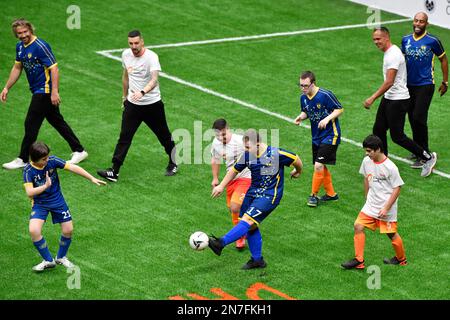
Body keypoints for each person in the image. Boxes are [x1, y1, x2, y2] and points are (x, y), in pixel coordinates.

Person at [209, 129, 303, 270]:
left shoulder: (277, 154)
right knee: (250, 225)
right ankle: (257, 260)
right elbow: (234, 170)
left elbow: (296, 159)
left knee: (247, 220)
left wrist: (298, 171)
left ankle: (220, 243)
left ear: (258, 144)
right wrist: (221, 186)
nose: (246, 150)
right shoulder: (247, 155)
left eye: (248, 147)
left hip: (270, 195)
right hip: (252, 193)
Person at [1, 18, 88, 170]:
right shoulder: (20, 47)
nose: (22, 35)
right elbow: (17, 68)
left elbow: (54, 69)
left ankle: (22, 158)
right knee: (56, 121)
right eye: (19, 33)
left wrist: (54, 92)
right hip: (37, 90)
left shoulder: (41, 46)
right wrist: (7, 87)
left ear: (31, 29)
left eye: (25, 32)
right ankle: (79, 150)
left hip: (45, 91)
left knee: (30, 123)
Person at [97, 30, 177, 182]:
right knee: (124, 137)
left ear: (142, 42)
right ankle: (114, 171)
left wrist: (142, 92)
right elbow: (126, 76)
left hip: (152, 104)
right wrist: (124, 96)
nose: (134, 46)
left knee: (163, 135)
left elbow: (154, 80)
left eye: (136, 43)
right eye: (131, 43)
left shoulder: (151, 57)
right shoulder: (126, 55)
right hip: (133, 105)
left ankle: (173, 162)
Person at [364, 27, 437, 178]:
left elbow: (389, 82)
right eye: (374, 39)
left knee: (397, 136)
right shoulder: (389, 53)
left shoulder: (393, 55)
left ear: (386, 37)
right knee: (378, 129)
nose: (376, 42)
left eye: (378, 39)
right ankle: (383, 163)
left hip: (398, 100)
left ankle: (428, 157)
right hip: (390, 98)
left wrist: (372, 98)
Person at [24, 142, 106, 272]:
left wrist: (91, 178)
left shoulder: (52, 160)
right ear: (35, 159)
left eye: (47, 157)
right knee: (34, 231)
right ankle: (48, 260)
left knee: (68, 230)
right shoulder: (28, 170)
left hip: (57, 201)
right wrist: (45, 186)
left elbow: (73, 168)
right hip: (40, 204)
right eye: (43, 159)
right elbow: (29, 192)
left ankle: (61, 257)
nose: (47, 160)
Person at [342, 135, 407, 269]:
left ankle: (401, 259)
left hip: (386, 207)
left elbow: (397, 188)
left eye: (369, 151)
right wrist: (367, 196)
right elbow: (366, 177)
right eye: (366, 151)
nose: (367, 154)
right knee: (358, 226)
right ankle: (359, 260)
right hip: (371, 205)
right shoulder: (366, 161)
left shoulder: (390, 167)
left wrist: (386, 208)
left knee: (391, 233)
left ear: (378, 150)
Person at [401, 12, 448, 168]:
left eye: (421, 21)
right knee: (412, 117)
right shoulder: (405, 40)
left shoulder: (433, 41)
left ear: (426, 24)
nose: (418, 24)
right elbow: (401, 62)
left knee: (419, 117)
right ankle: (417, 149)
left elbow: (443, 59)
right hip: (408, 85)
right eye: (416, 20)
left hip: (426, 84)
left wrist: (445, 81)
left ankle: (425, 153)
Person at [294, 71, 343, 207]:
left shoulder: (325, 95)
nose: (303, 88)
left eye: (305, 86)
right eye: (301, 85)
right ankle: (331, 194)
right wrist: (301, 117)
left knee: (318, 165)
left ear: (313, 84)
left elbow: (339, 109)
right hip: (316, 137)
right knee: (320, 164)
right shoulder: (303, 98)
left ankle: (313, 196)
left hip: (330, 135)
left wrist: (327, 119)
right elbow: (306, 111)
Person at [210, 119, 251, 250]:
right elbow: (215, 159)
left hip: (246, 177)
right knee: (233, 210)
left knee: (235, 207)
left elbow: (258, 150)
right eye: (217, 136)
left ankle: (239, 237)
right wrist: (215, 178)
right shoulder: (216, 143)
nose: (221, 138)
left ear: (229, 129)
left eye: (223, 134)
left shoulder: (240, 141)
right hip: (230, 180)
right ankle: (245, 226)